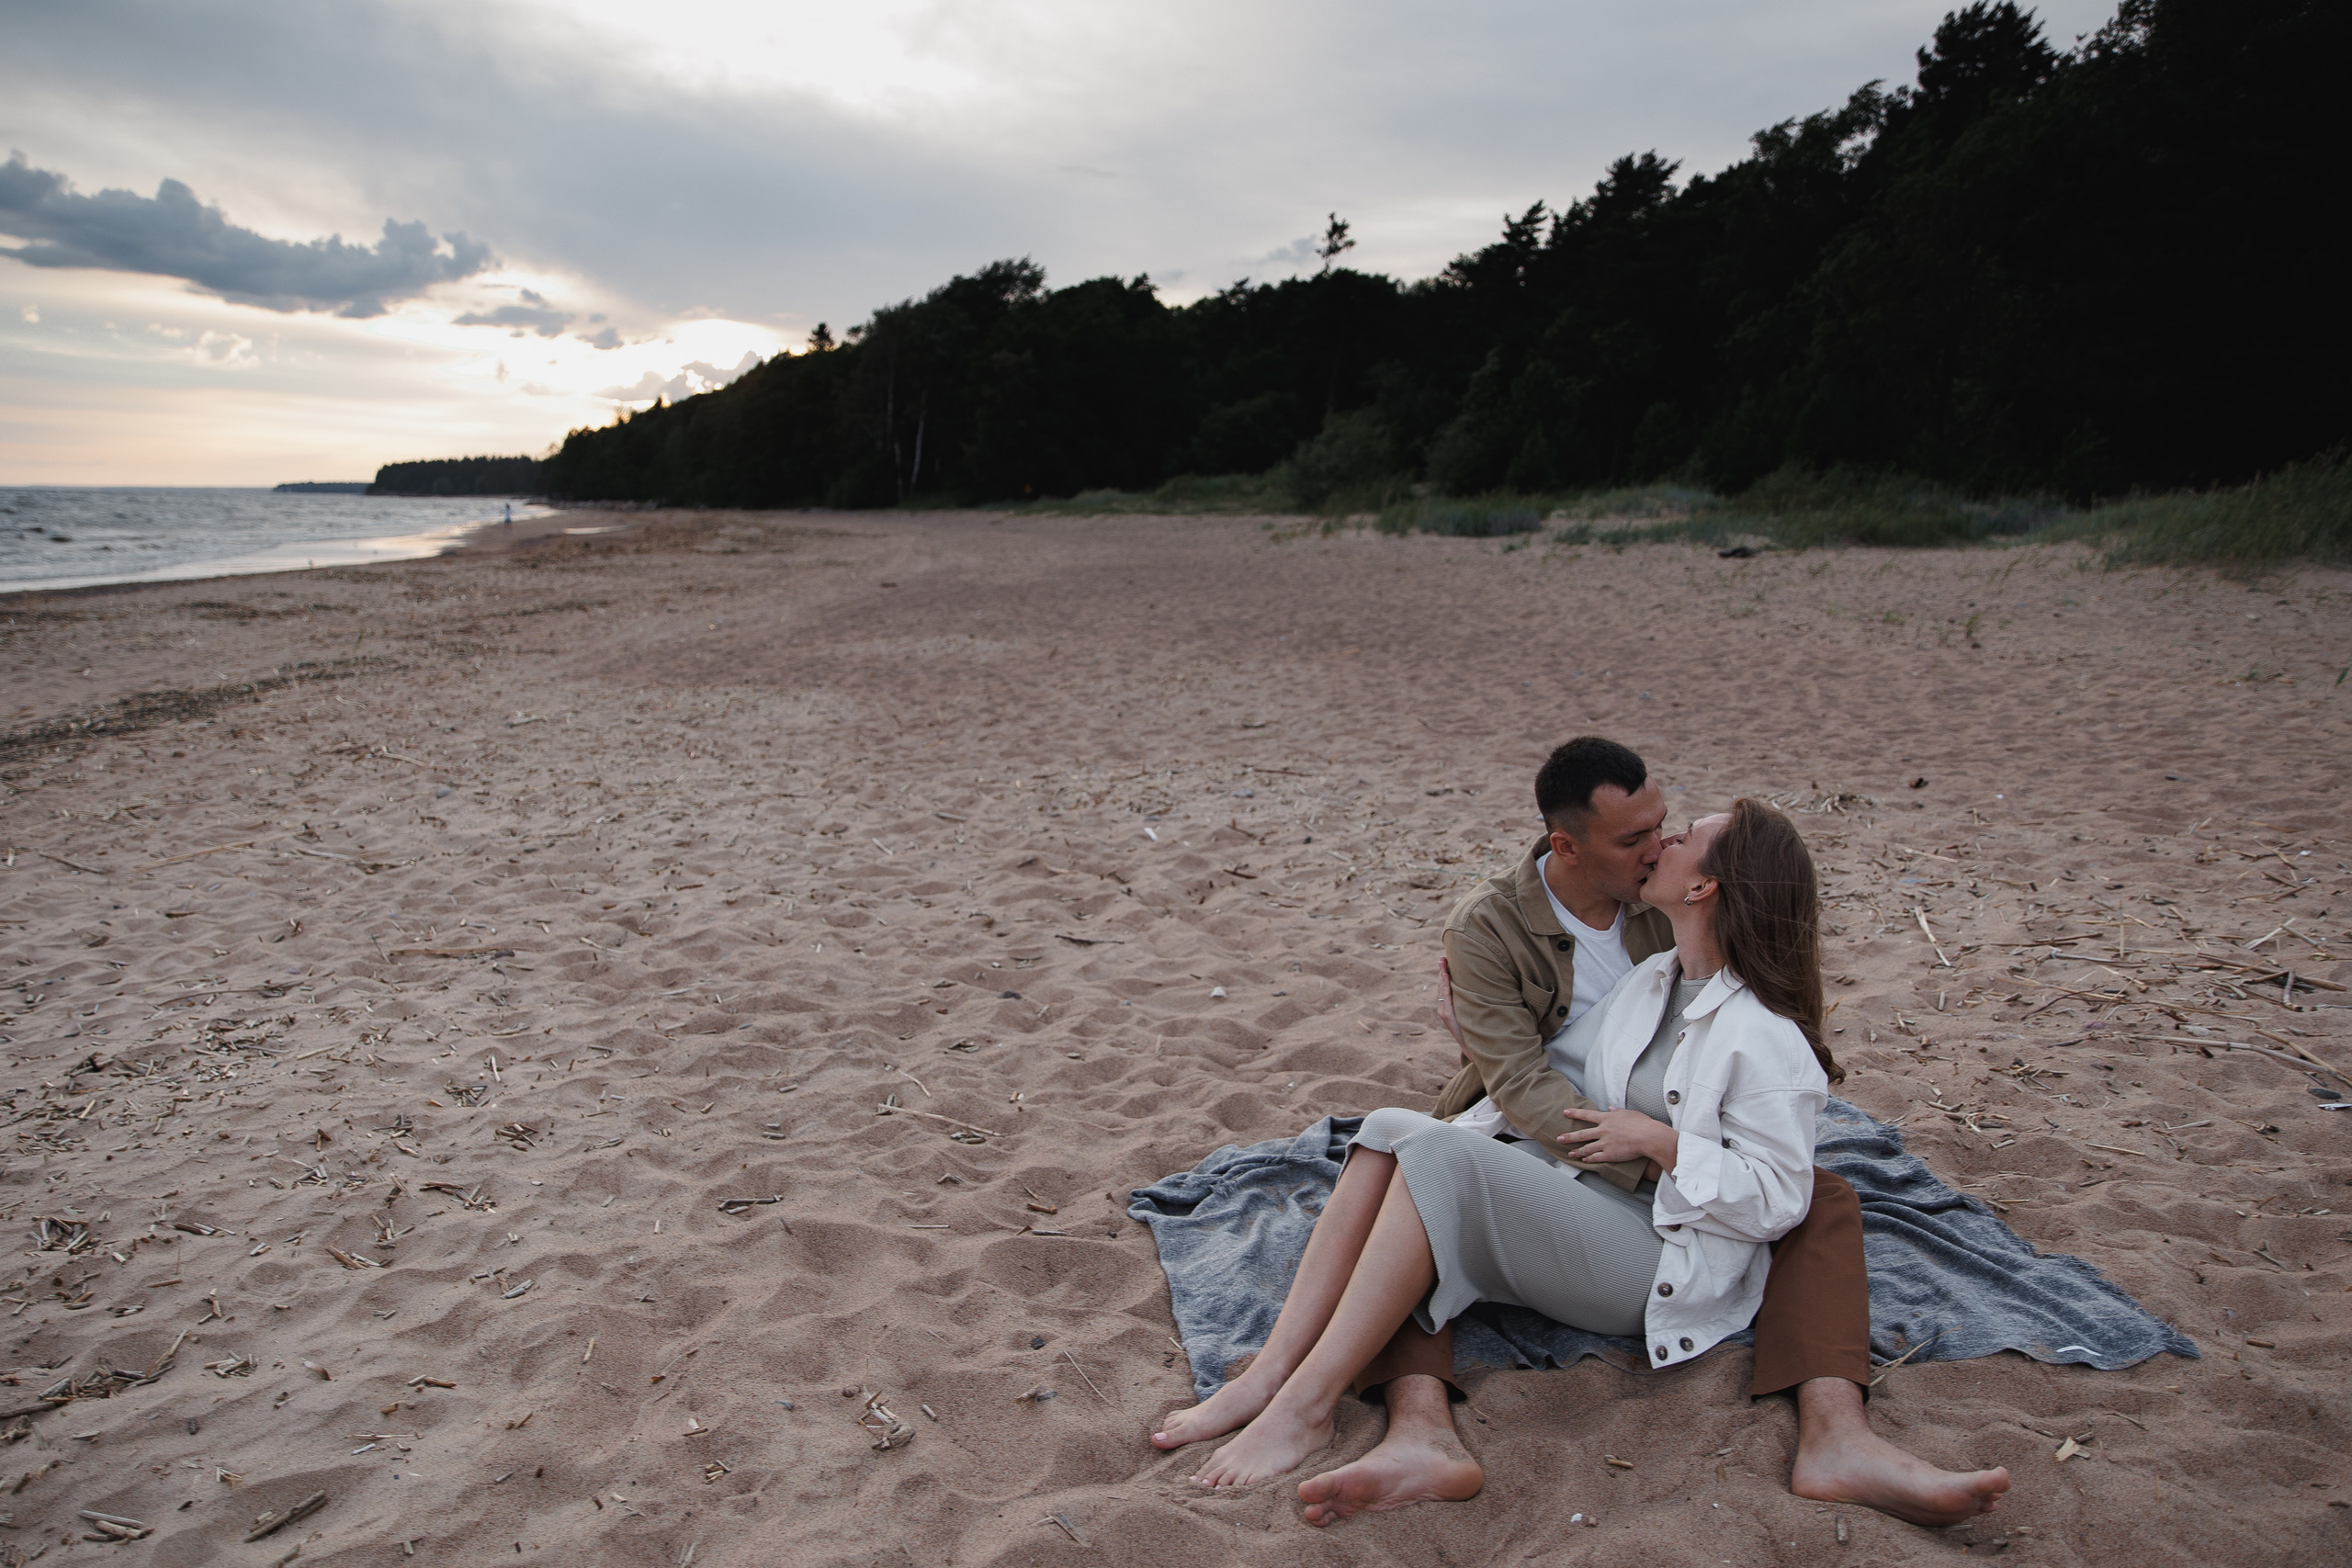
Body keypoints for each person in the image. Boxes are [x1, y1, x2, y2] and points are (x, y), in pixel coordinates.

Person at [1151, 779, 2011, 1529]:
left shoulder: (1767, 1038)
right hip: (1592, 1206)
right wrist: (1469, 1065)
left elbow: (1782, 1199)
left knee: (1438, 1158)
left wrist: (1664, 1143)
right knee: (1390, 1132)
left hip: (1660, 1254)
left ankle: (1306, 1407)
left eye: (1680, 838)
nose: (1663, 845)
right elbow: (1541, 1081)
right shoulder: (1654, 979)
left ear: (1705, 882)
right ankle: (1269, 1377)